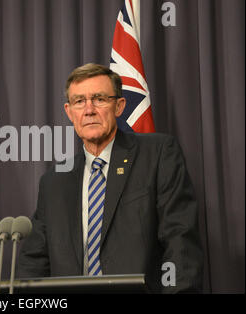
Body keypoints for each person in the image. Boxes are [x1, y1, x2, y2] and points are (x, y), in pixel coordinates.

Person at [17, 63, 203, 293]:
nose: (89, 110)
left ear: (119, 106)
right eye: (79, 101)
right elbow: (34, 263)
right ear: (69, 111)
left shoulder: (158, 155)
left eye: (99, 99)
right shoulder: (54, 181)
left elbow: (180, 242)